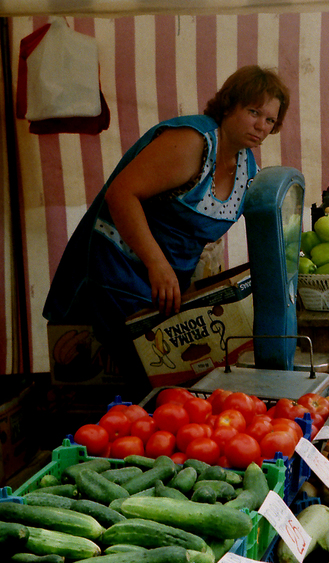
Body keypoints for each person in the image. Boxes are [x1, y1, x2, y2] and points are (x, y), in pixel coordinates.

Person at [43, 65, 290, 373]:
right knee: (129, 379)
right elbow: (121, 194)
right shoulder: (193, 141)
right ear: (229, 105)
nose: (261, 126)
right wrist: (158, 265)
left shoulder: (246, 166)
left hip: (167, 288)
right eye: (254, 111)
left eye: (270, 120)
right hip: (117, 273)